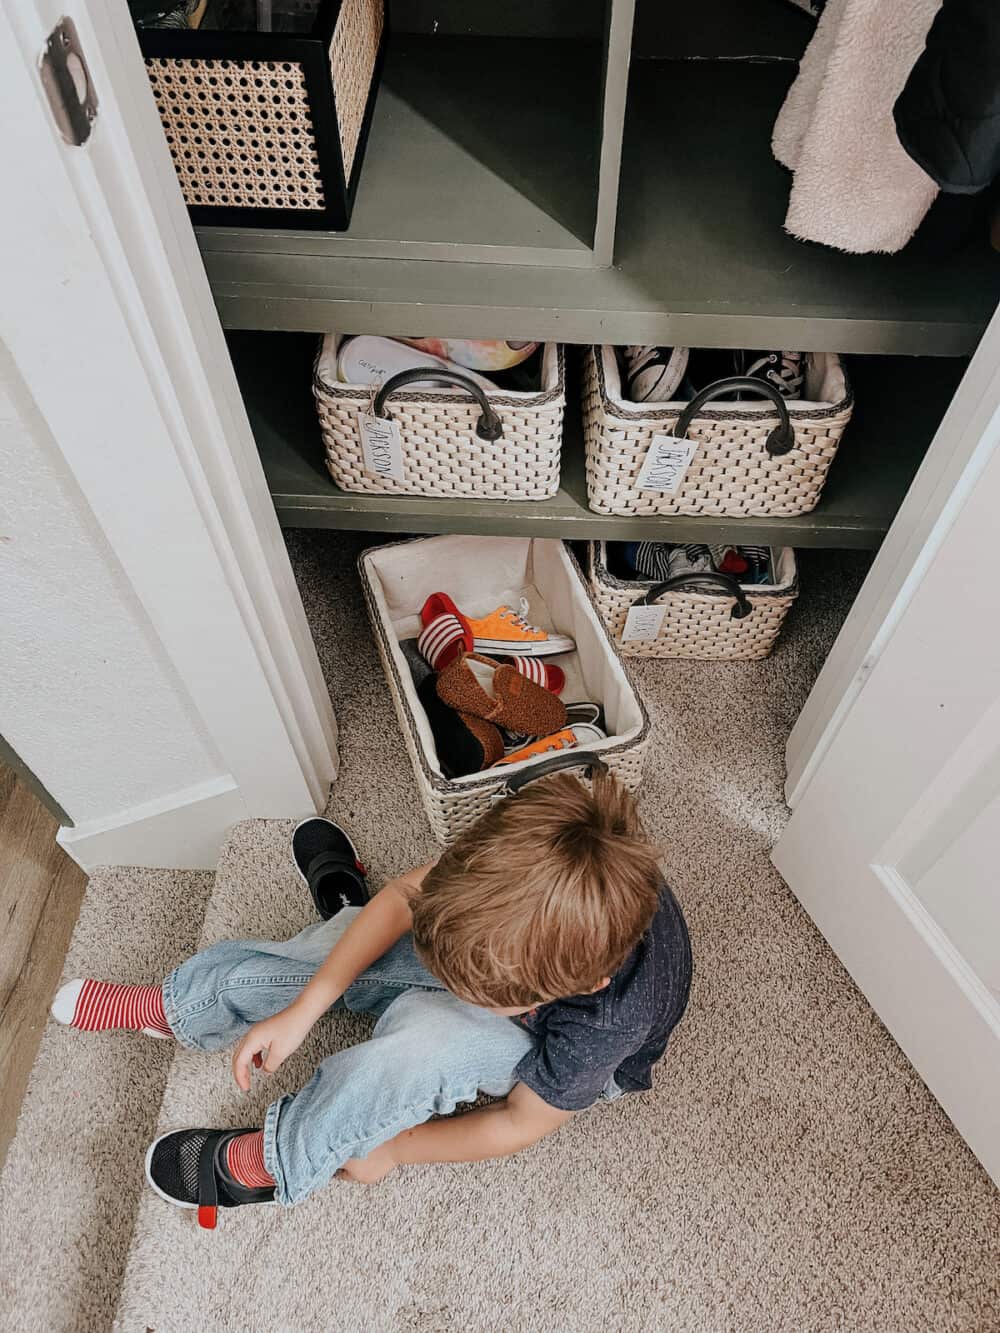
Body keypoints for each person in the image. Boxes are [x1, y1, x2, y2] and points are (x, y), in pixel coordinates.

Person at [52, 772, 692, 1228]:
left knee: (422, 1043)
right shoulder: (515, 866)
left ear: (577, 987)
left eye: (473, 987)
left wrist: (396, 1148)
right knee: (341, 946)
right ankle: (193, 1005)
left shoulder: (605, 1022)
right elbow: (403, 901)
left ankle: (286, 1156)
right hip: (513, 961)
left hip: (538, 1042)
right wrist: (303, 1012)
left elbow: (520, 1122)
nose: (448, 981)